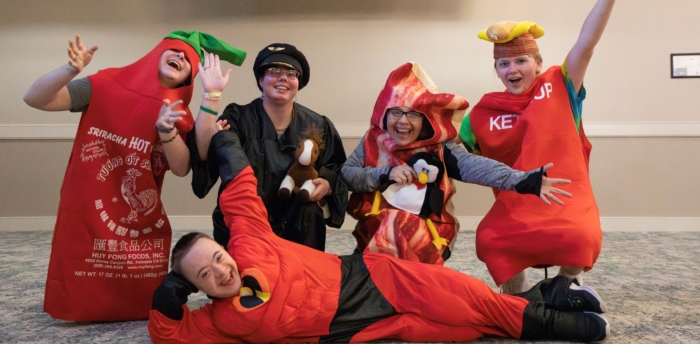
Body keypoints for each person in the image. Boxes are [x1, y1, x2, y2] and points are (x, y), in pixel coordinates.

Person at [148, 148, 610, 343]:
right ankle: (543, 298)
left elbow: (240, 195)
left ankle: (554, 320)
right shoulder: (221, 321)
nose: (221, 271)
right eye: (205, 274)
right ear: (198, 290)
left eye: (216, 257)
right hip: (357, 330)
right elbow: (170, 335)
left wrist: (226, 142)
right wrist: (167, 294)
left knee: (468, 300)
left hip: (369, 277)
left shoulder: (249, 246)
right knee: (464, 329)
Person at [457, 0, 650, 294]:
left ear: (537, 63)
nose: (512, 69)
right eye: (503, 63)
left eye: (520, 60)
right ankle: (515, 293)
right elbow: (454, 154)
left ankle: (566, 284)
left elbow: (586, 43)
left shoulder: (561, 84)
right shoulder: (482, 112)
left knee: (583, 234)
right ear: (496, 70)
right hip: (518, 203)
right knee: (488, 238)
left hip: (567, 198)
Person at [23, 31, 245, 321]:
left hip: (139, 211)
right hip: (87, 203)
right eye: (174, 51)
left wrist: (168, 130)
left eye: (188, 59)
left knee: (136, 284)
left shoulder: (180, 114)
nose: (179, 57)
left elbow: (180, 168)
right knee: (82, 259)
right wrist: (70, 70)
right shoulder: (104, 84)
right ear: (157, 53)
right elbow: (35, 99)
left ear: (189, 78)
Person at [341, 62, 571, 265]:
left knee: (398, 245)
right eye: (396, 113)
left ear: (426, 118)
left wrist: (523, 180)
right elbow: (348, 174)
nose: (402, 122)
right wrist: (385, 173)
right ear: (385, 114)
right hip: (373, 230)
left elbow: (476, 166)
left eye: (412, 114)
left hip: (430, 233)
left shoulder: (440, 146)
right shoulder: (373, 140)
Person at [189, 43, 348, 251]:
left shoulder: (318, 125)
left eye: (292, 73)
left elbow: (337, 169)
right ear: (260, 80)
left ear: (298, 83)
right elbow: (206, 154)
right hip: (245, 222)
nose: (283, 78)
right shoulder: (237, 117)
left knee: (301, 279)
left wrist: (327, 183)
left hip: (299, 225)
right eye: (274, 71)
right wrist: (211, 95)